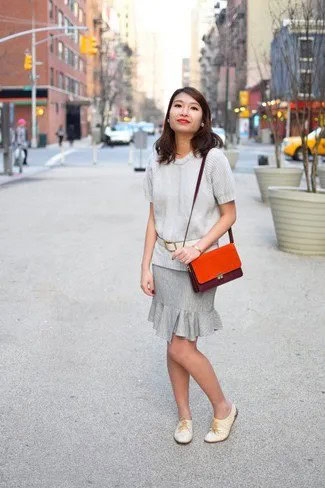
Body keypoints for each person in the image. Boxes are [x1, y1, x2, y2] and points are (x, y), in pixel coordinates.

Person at [141, 87, 238, 445]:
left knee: (180, 347)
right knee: (174, 342)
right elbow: (153, 217)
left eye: (193, 107)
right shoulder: (158, 159)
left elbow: (229, 214)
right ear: (168, 115)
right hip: (165, 264)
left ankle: (223, 408)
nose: (184, 111)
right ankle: (185, 417)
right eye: (178, 106)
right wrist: (145, 266)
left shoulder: (213, 160)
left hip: (200, 264)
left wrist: (199, 247)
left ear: (202, 117)